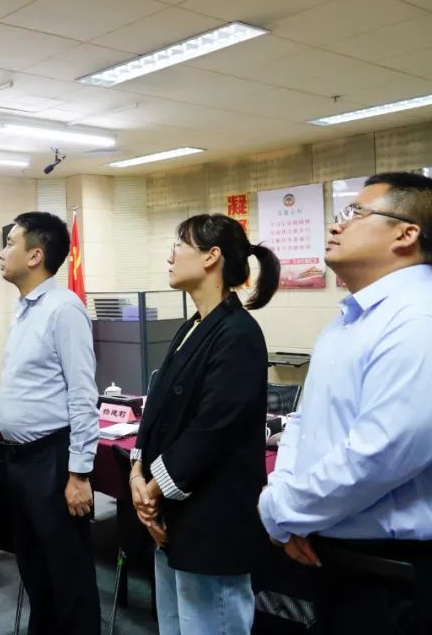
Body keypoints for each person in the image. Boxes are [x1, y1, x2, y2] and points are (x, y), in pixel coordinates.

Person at [258, 172, 432, 634]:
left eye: (354, 213)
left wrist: (281, 510)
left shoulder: (424, 323)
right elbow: (303, 425)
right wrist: (284, 501)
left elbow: (378, 455)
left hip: (406, 582)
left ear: (406, 234)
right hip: (339, 562)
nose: (336, 224)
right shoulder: (346, 323)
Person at [130, 214, 280, 634]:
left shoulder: (238, 333)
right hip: (173, 515)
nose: (170, 256)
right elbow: (158, 407)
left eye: (179, 246)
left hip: (213, 519)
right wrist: (137, 472)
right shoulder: (191, 326)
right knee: (175, 624)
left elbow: (213, 429)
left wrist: (152, 491)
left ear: (212, 256)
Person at [0, 211, 100, 635]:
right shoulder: (25, 309)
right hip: (20, 459)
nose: (2, 253)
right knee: (35, 567)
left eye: (10, 243)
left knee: (67, 572)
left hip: (52, 460)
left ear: (35, 255)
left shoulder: (64, 309)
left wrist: (79, 473)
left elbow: (83, 395)